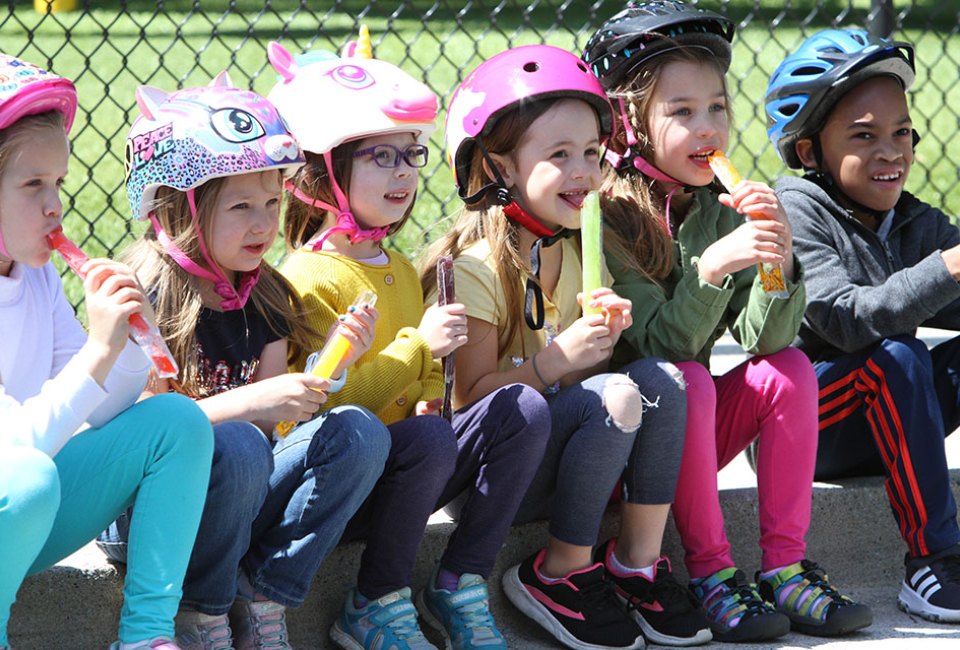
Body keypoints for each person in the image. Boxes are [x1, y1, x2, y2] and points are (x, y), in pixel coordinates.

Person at [582, 1, 873, 642]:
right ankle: (712, 575)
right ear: (628, 122)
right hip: (612, 457)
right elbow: (656, 346)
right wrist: (709, 272)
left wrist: (776, 253)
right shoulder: (602, 217)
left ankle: (785, 569)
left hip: (688, 440)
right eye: (681, 112)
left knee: (790, 367)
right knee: (686, 373)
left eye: (716, 107)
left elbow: (764, 339)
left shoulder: (717, 207)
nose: (706, 126)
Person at [268, 35, 550, 650]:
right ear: (324, 172)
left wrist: (427, 389)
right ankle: (373, 602)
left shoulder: (396, 265)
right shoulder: (303, 277)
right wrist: (416, 349)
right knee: (419, 437)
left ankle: (460, 578)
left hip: (405, 474)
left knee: (519, 410)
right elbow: (328, 410)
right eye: (380, 157)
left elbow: (420, 389)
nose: (402, 172)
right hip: (328, 492)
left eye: (409, 155)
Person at [422, 43, 703, 650]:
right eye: (559, 155)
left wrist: (602, 342)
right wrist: (557, 361)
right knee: (619, 396)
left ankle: (636, 562)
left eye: (591, 154)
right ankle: (561, 573)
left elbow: (596, 386)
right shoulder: (476, 270)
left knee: (661, 381)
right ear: (498, 170)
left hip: (568, 464)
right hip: (492, 479)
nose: (585, 171)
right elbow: (469, 403)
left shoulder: (579, 253)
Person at [100, 74, 391, 650]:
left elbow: (267, 428)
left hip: (231, 496)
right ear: (177, 208)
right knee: (235, 443)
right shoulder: (144, 298)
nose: (263, 223)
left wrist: (330, 369)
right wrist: (249, 406)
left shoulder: (266, 294)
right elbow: (139, 436)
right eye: (240, 206)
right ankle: (200, 613)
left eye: (271, 202)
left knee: (359, 433)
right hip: (144, 513)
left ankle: (264, 596)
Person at [0, 53, 214, 650]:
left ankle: (147, 635)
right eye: (32, 185)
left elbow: (97, 410)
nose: (55, 206)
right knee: (30, 476)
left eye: (59, 184)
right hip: (15, 492)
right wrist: (97, 348)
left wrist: (126, 342)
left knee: (177, 422)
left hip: (22, 513)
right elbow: (14, 449)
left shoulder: (35, 277)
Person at [766, 27, 960, 623]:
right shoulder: (794, 208)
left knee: (903, 357)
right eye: (865, 136)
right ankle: (936, 562)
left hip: (887, 417)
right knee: (894, 354)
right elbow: (843, 319)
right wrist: (949, 269)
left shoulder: (912, 219)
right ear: (809, 152)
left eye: (901, 132)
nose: (892, 152)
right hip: (806, 430)